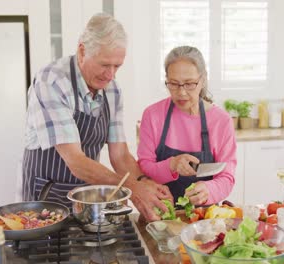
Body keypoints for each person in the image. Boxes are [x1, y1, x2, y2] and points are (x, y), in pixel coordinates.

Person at [22, 13, 172, 221]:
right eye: (104, 64)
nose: (110, 75)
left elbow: (120, 155)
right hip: (46, 198)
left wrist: (144, 181)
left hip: (86, 199)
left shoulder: (112, 90)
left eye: (117, 66)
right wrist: (133, 187)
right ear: (82, 51)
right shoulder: (52, 82)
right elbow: (76, 161)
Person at [137, 46, 237, 205]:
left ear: (202, 80)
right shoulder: (152, 115)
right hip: (160, 211)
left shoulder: (221, 121)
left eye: (190, 84)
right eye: (174, 84)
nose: (181, 92)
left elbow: (227, 177)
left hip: (203, 217)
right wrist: (171, 165)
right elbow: (144, 167)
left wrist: (208, 190)